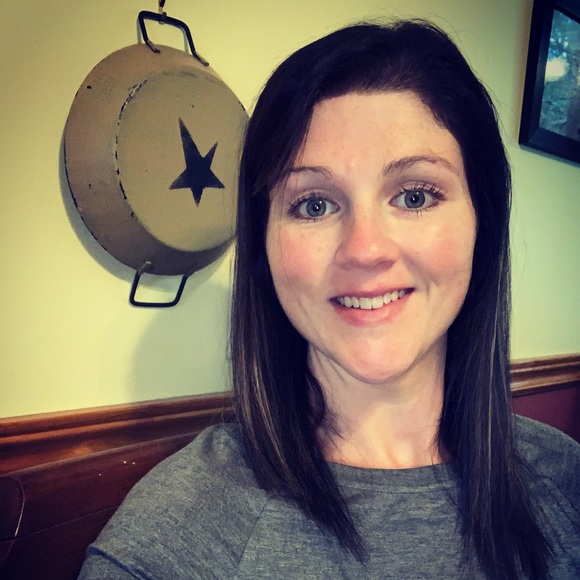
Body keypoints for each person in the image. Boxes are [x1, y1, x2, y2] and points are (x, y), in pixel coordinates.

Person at [79, 20, 580, 579]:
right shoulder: (171, 539)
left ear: (481, 223)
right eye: (314, 205)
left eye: (415, 196)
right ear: (263, 244)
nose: (365, 250)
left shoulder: (565, 482)